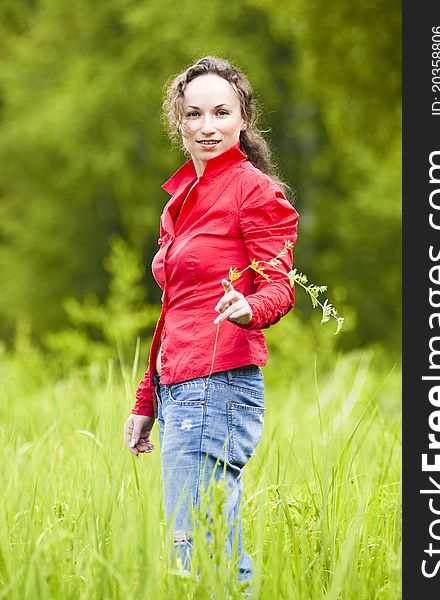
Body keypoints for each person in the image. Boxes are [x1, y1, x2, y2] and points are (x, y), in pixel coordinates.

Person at [123, 56, 299, 585]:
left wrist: (252, 308)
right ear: (179, 121)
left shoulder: (254, 190)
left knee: (204, 555)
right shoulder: (179, 199)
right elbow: (174, 308)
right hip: (181, 387)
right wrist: (146, 399)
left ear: (243, 118)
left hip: (218, 385)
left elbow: (279, 284)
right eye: (194, 114)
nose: (207, 126)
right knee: (193, 551)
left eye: (221, 112)